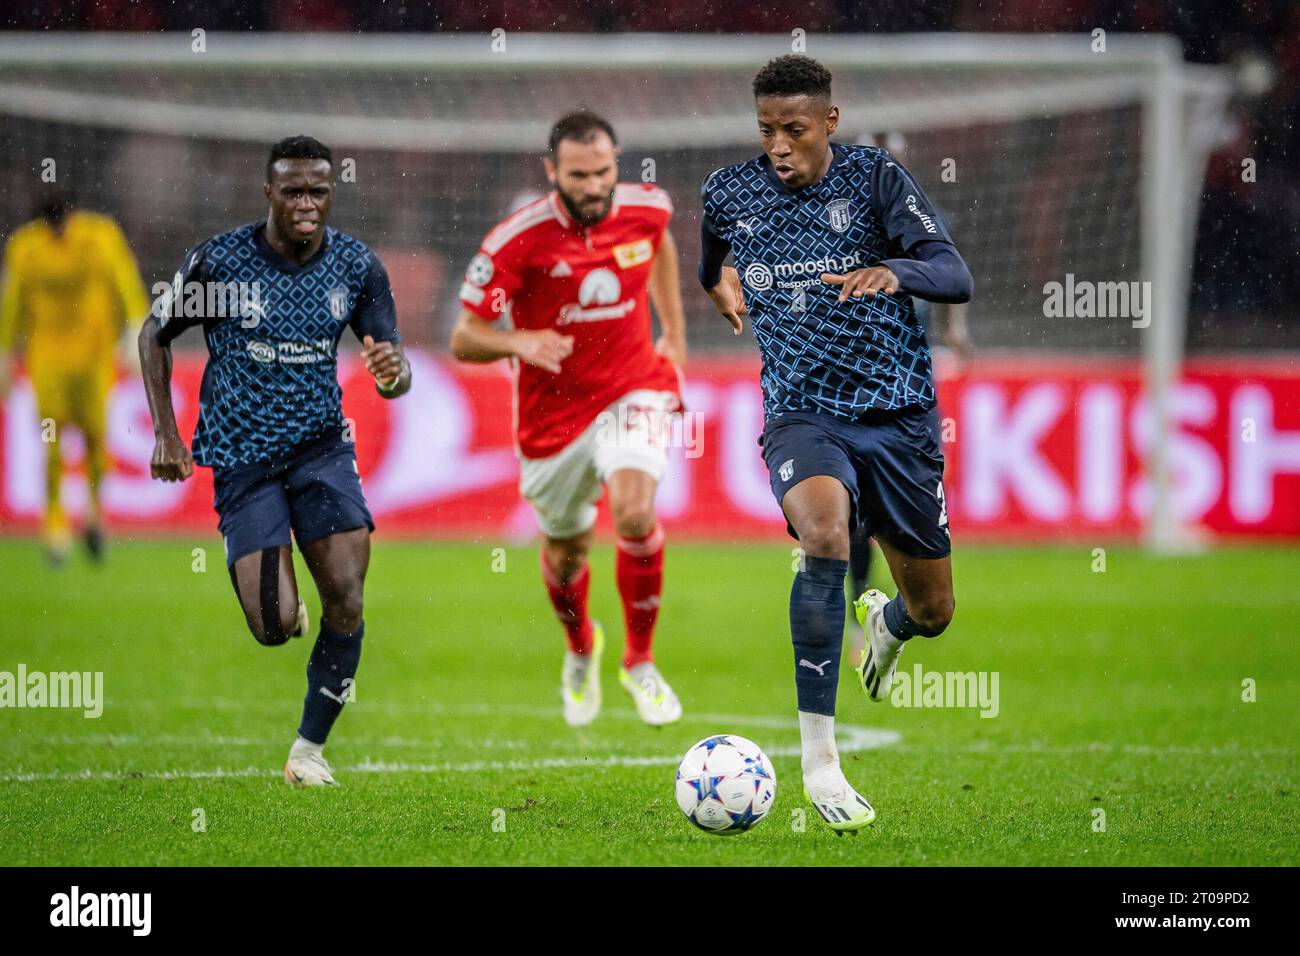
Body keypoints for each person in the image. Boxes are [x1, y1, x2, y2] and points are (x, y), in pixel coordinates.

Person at [699, 56, 972, 831]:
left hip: (898, 418)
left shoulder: (876, 180)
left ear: (829, 123)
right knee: (822, 536)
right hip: (801, 415)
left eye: (793, 129)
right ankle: (820, 763)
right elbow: (708, 262)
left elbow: (954, 274)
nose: (778, 145)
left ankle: (888, 628)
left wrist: (893, 271)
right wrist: (718, 283)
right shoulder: (727, 192)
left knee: (937, 609)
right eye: (765, 130)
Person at [138, 135, 411, 787]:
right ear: (269, 193)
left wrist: (392, 373)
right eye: (293, 191)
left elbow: (393, 371)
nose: (307, 203)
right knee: (275, 626)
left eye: (318, 190)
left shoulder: (356, 266)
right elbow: (154, 332)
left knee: (347, 596)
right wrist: (165, 435)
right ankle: (286, 610)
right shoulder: (220, 262)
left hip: (322, 450)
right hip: (242, 455)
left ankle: (308, 751)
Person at [450, 111, 687, 728]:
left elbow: (659, 244)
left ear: (617, 163)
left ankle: (640, 662)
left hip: (632, 388)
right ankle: (581, 650)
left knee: (635, 511)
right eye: (578, 175)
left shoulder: (647, 207)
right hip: (551, 417)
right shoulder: (517, 240)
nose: (593, 186)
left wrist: (675, 333)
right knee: (566, 552)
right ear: (552, 171)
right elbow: (464, 337)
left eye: (603, 171)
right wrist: (519, 343)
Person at [0, 192, 151, 564]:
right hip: (47, 361)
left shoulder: (100, 236)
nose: (57, 230)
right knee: (51, 441)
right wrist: (4, 353)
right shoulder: (26, 247)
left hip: (93, 360)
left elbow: (125, 283)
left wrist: (136, 328)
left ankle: (95, 515)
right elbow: (12, 303)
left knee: (97, 439)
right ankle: (54, 526)